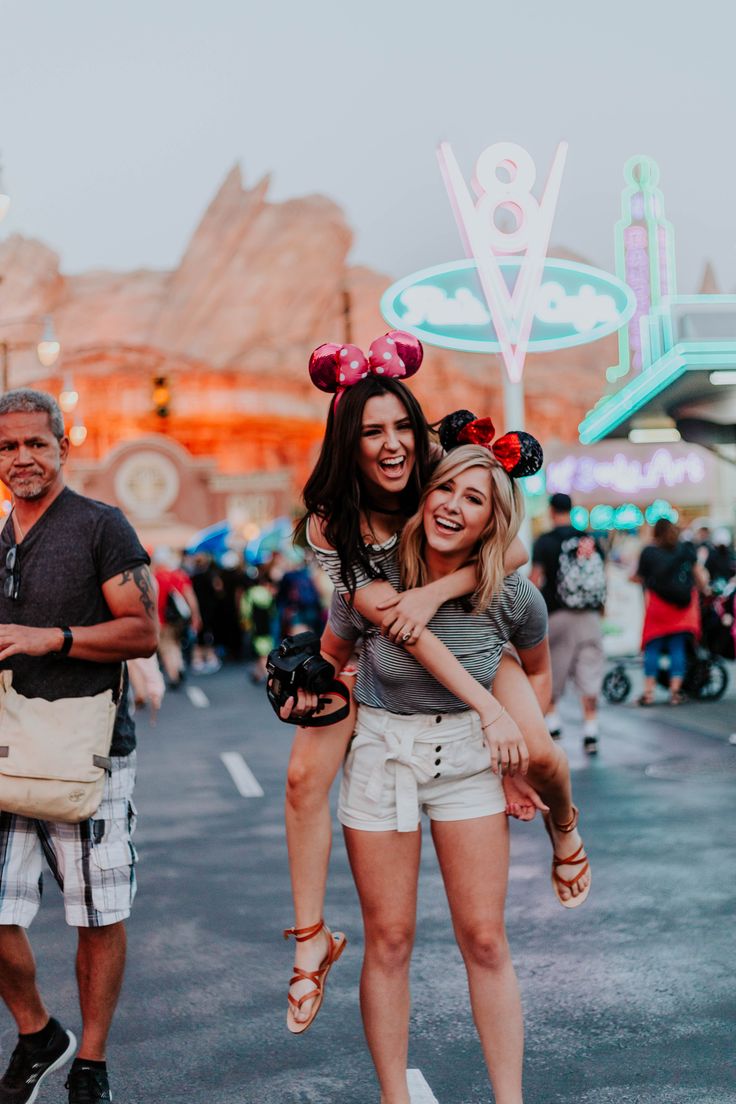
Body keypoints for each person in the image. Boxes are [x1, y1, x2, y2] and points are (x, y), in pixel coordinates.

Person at [282, 337, 589, 1032]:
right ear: (348, 443)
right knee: (303, 779)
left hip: (478, 641)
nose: (391, 444)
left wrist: (441, 591)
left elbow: (509, 546)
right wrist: (326, 669)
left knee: (538, 755)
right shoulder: (335, 523)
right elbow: (390, 625)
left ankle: (566, 831)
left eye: (400, 427)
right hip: (386, 659)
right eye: (371, 432)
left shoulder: (437, 472)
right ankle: (310, 945)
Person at [293, 443, 559, 1104]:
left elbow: (540, 675)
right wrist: (309, 689)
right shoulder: (371, 580)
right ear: (426, 494)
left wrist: (514, 761)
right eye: (447, 489)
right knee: (389, 941)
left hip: (471, 757)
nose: (453, 506)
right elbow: (332, 660)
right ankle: (395, 1098)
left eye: (476, 500)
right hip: (384, 755)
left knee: (486, 940)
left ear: (491, 522)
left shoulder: (511, 593)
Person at [0, 389, 158, 1104]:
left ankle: (89, 1064)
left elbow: (142, 631)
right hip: (8, 749)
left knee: (97, 913)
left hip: (89, 752)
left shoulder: (102, 526)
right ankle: (38, 1034)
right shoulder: (1, 538)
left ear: (64, 446)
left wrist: (54, 637)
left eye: (37, 442)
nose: (23, 457)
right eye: (8, 447)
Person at [530, 492, 607, 754]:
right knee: (590, 672)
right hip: (589, 616)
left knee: (552, 670)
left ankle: (553, 725)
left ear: (552, 511)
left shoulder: (545, 541)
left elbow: (534, 580)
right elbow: (601, 576)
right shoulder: (590, 539)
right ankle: (591, 730)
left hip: (557, 616)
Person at [630, 519, 708, 705]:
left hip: (658, 605)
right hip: (683, 607)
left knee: (653, 647)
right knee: (677, 647)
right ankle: (675, 692)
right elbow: (698, 575)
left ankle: (648, 692)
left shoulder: (649, 552)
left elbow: (637, 577)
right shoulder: (686, 549)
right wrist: (705, 589)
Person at [152, 547, 201, 688]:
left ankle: (174, 674)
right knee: (177, 644)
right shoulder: (179, 575)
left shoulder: (155, 578)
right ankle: (179, 667)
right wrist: (195, 616)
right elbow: (190, 596)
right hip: (180, 619)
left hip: (162, 620)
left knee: (167, 647)